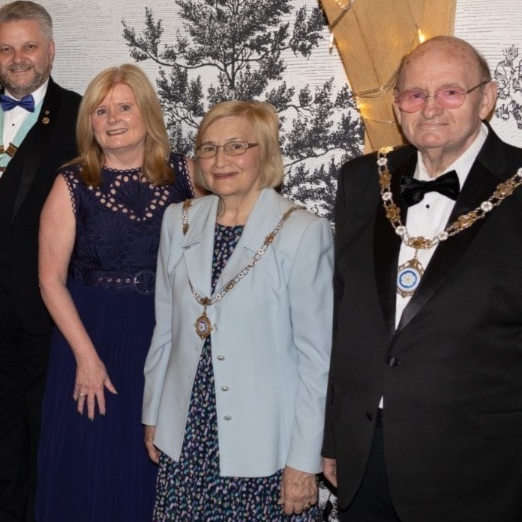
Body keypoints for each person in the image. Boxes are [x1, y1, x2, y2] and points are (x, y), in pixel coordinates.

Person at [323, 36, 522, 521]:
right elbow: (342, 320)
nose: (430, 107)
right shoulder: (361, 180)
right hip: (363, 460)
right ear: (396, 106)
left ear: (487, 98)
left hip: (483, 469)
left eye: (450, 92)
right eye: (415, 95)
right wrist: (332, 437)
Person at [143, 100, 332, 521]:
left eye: (235, 146)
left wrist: (304, 461)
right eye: (208, 149)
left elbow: (317, 360)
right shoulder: (179, 220)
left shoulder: (303, 232)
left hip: (264, 443)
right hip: (187, 433)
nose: (220, 160)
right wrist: (154, 412)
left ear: (264, 152)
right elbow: (165, 329)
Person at [35, 64, 193, 521]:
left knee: (149, 461)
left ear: (147, 112)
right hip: (89, 334)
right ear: (90, 123)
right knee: (87, 461)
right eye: (101, 111)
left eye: (124, 107)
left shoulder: (186, 173)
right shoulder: (71, 183)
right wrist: (86, 357)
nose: (113, 118)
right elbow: (49, 280)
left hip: (162, 333)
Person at [0, 0, 80, 521]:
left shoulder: (78, 112)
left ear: (49, 50)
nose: (18, 58)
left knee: (44, 423)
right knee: (1, 420)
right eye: (6, 49)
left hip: (52, 302)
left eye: (29, 47)